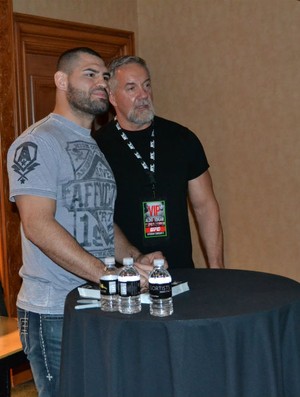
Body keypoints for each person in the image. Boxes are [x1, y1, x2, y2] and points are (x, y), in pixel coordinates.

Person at [7, 48, 164, 397]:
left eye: (105, 76)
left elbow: (102, 222)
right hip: (53, 312)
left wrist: (135, 260)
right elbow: (37, 225)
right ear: (61, 82)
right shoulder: (37, 142)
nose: (101, 83)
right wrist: (109, 276)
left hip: (96, 303)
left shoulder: (91, 145)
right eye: (89, 74)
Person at [94, 56, 224, 269]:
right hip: (126, 276)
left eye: (146, 85)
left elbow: (205, 207)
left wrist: (217, 267)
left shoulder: (182, 138)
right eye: (131, 88)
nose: (143, 95)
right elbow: (96, 218)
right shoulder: (97, 147)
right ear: (112, 97)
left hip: (181, 271)